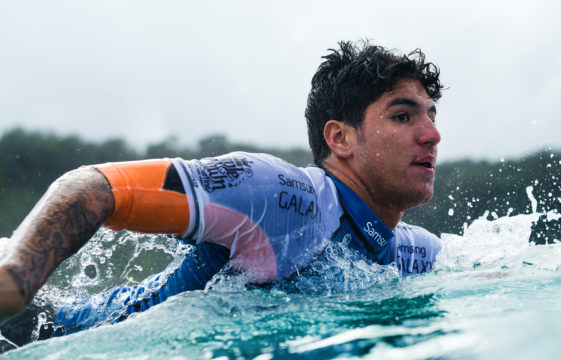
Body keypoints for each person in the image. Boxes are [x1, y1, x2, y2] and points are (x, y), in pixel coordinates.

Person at [0, 40, 443, 349]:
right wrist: (15, 281)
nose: (432, 135)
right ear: (340, 138)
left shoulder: (413, 252)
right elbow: (91, 187)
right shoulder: (286, 198)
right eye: (403, 116)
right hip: (42, 333)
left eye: (431, 115)